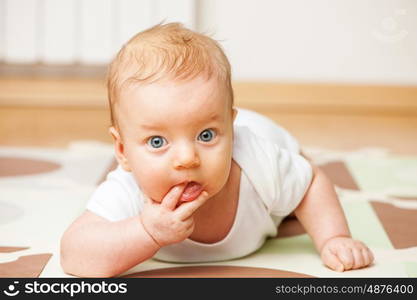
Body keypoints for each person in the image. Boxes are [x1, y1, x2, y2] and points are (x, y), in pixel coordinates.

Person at [60, 23, 374, 277]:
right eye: (157, 142)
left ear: (230, 130)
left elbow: (311, 183)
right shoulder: (128, 189)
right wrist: (145, 231)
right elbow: (75, 256)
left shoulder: (257, 160)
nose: (187, 159)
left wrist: (334, 238)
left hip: (269, 135)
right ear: (123, 151)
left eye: (206, 135)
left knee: (295, 192)